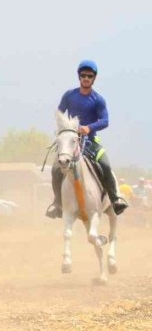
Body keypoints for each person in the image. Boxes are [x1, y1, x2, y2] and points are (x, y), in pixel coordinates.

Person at [47, 60, 127, 218]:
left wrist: (88, 128)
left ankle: (115, 199)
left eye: (89, 76)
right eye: (83, 75)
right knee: (56, 168)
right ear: (79, 77)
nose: (86, 78)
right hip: (70, 142)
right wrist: (64, 129)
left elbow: (105, 121)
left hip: (90, 142)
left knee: (105, 164)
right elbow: (59, 114)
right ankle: (57, 204)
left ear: (94, 78)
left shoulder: (98, 99)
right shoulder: (69, 95)